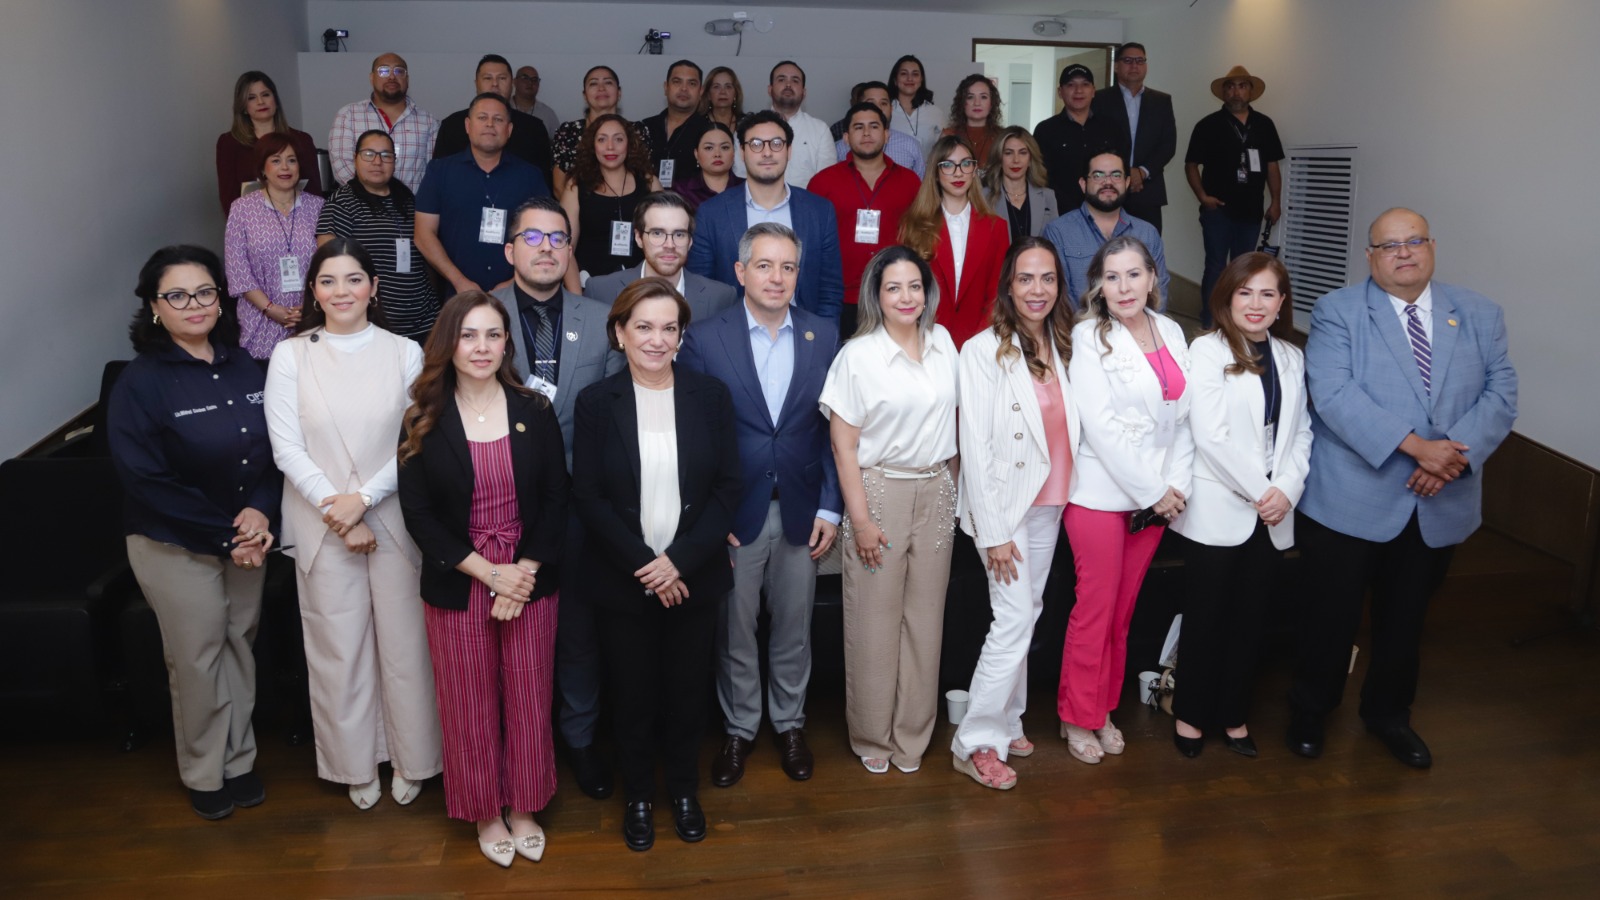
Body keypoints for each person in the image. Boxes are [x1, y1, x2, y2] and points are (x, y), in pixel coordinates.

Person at [1288, 208, 1517, 769]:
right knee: (1329, 618)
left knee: (1406, 620)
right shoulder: (1338, 310)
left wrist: (1449, 458)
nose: (1404, 252)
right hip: (1349, 498)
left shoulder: (1480, 313)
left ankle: (1388, 715)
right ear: (1371, 257)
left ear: (1432, 246)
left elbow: (1501, 392)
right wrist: (1419, 448)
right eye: (1389, 245)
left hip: (1440, 498)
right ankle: (1310, 711)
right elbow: (1334, 394)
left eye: (1414, 240)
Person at [265, 239, 442, 806]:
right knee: (338, 647)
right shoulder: (290, 355)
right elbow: (286, 448)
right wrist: (340, 511)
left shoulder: (404, 352)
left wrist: (363, 499)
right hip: (321, 520)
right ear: (313, 292)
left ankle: (414, 758)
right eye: (328, 281)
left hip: (393, 513)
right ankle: (353, 764)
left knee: (406, 646)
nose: (341, 291)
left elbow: (416, 438)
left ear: (374, 287)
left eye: (353, 279)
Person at [108, 245, 281, 820]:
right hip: (173, 542)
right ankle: (205, 770)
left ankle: (239, 759)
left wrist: (261, 512)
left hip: (247, 537)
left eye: (205, 291)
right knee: (198, 656)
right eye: (177, 295)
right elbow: (145, 479)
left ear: (221, 298)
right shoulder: (140, 382)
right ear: (154, 306)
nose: (194, 304)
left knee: (238, 647)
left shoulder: (246, 363)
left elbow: (276, 451)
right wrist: (230, 535)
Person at [397, 290, 568, 866]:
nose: (481, 347)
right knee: (467, 700)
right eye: (468, 335)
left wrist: (522, 573)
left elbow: (556, 497)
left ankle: (525, 806)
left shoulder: (534, 409)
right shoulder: (422, 416)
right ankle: (485, 811)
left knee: (528, 694)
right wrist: (491, 574)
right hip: (461, 577)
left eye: (493, 334)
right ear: (448, 342)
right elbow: (418, 514)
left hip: (528, 578)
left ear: (507, 344)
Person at [571, 278, 743, 851]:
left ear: (682, 335)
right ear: (619, 333)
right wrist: (649, 566)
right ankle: (640, 796)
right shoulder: (597, 403)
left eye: (669, 328)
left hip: (693, 577)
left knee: (688, 694)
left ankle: (685, 792)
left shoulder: (711, 396)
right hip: (624, 579)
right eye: (643, 327)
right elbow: (589, 496)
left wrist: (678, 564)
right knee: (633, 696)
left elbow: (727, 489)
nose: (657, 339)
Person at [677, 223, 841, 790]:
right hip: (732, 515)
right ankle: (740, 728)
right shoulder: (705, 338)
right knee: (735, 631)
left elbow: (835, 432)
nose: (777, 277)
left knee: (794, 628)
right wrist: (707, 517)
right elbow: (693, 435)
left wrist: (831, 507)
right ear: (740, 271)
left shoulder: (824, 334)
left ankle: (790, 724)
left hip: (802, 510)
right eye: (765, 266)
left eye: (788, 267)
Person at [819, 245, 960, 776]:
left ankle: (912, 735)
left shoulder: (945, 343)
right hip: (879, 491)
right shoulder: (858, 356)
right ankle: (872, 735)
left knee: (926, 621)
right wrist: (860, 520)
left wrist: (954, 489)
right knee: (874, 622)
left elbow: (956, 424)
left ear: (927, 292)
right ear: (875, 296)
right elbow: (843, 446)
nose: (906, 297)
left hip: (937, 489)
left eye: (914, 286)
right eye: (893, 287)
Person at [1167, 252, 1312, 759]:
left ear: (1282, 302)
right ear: (1227, 298)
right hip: (1220, 509)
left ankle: (1234, 715)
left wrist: (1287, 489)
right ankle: (1189, 715)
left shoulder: (1291, 356)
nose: (1256, 303)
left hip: (1272, 514)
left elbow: (1301, 432)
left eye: (1267, 293)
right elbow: (1211, 435)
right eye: (1245, 292)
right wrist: (1263, 492)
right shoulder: (1206, 350)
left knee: (1252, 621)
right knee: (1206, 617)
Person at [1059, 234, 1192, 766]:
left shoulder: (1171, 330)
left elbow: (1185, 419)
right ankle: (1076, 716)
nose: (1124, 287)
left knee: (1123, 612)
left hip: (1155, 500)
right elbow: (1101, 427)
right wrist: (1156, 492)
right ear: (1099, 286)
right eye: (1111, 277)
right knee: (1095, 609)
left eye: (1133, 274)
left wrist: (1176, 487)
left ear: (1153, 278)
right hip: (1099, 495)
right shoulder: (1090, 336)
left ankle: (1103, 710)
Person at [951, 238, 1079, 790]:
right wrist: (995, 530)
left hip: (1051, 501)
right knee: (1013, 619)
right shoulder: (983, 350)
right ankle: (977, 741)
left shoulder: (1065, 342)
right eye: (1026, 278)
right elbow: (975, 447)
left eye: (1047, 278)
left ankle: (1008, 718)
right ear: (1008, 285)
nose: (1037, 289)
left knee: (1030, 609)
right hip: (1004, 508)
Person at [688, 110, 844, 320]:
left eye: (776, 143)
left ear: (789, 151)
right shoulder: (712, 213)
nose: (767, 152)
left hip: (803, 331)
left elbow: (830, 289)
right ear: (742, 152)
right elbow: (701, 290)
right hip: (732, 332)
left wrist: (823, 335)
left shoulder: (819, 211)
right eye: (756, 144)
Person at [415, 92, 550, 297]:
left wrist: (515, 282)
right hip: (457, 295)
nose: (489, 124)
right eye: (482, 117)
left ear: (509, 130)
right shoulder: (440, 171)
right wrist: (459, 281)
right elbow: (423, 234)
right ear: (468, 126)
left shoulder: (530, 176)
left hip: (518, 294)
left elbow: (546, 233)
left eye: (498, 119)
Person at [810, 101, 922, 337]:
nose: (867, 133)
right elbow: (812, 244)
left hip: (895, 295)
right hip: (839, 298)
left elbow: (922, 238)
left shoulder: (910, 182)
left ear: (887, 134)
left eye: (874, 126)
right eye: (858, 127)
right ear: (846, 138)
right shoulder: (823, 182)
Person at [316, 130, 442, 340]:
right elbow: (330, 264)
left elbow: (427, 253)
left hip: (424, 320)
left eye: (386, 155)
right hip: (374, 324)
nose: (377, 162)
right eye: (369, 154)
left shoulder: (407, 198)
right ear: (355, 158)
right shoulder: (342, 203)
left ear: (394, 161)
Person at [1184, 65, 1284, 328]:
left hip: (1251, 210)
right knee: (1216, 266)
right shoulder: (1207, 125)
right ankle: (1210, 323)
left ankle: (1238, 323)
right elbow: (1191, 165)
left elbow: (1272, 165)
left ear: (1250, 91)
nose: (1236, 91)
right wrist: (1203, 197)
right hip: (1218, 210)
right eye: (1230, 86)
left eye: (1242, 86)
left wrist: (1276, 202)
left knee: (1243, 270)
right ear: (1223, 92)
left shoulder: (1264, 125)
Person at [897, 135, 1008, 349]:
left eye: (966, 164)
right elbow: (906, 290)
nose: (958, 172)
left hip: (979, 342)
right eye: (948, 165)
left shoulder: (997, 227)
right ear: (935, 173)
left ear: (974, 171)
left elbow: (997, 293)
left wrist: (977, 344)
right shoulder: (913, 225)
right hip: (924, 340)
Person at [225, 133, 325, 361]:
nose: (285, 167)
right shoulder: (242, 208)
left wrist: (310, 307)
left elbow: (328, 265)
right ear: (263, 168)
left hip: (310, 316)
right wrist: (270, 309)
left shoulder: (318, 207)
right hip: (259, 319)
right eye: (276, 160)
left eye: (292, 160)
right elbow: (237, 269)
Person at [1041, 149, 1170, 311]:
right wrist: (1095, 326)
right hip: (1079, 326)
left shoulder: (1147, 234)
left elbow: (1158, 294)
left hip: (1136, 326)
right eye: (1098, 175)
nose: (1108, 182)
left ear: (1127, 182)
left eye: (1116, 175)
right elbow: (1059, 297)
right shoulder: (1058, 232)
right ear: (1083, 184)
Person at [583, 191, 739, 323]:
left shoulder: (721, 298)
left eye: (679, 234)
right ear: (638, 238)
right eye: (657, 233)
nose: (669, 244)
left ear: (690, 241)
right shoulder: (601, 291)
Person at [560, 114, 661, 291]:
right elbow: (565, 247)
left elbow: (665, 240)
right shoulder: (575, 186)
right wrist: (578, 299)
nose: (610, 147)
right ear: (592, 146)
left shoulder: (649, 182)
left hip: (643, 287)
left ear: (629, 144)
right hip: (589, 285)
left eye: (618, 139)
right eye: (602, 139)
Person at [1091, 43, 1177, 233]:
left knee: (1146, 245)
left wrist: (1142, 172)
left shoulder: (1161, 101)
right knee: (1104, 244)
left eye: (1139, 61)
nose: (1134, 65)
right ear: (1116, 66)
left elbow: (1168, 144)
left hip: (1147, 190)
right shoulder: (1098, 99)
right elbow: (1094, 141)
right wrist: (1120, 174)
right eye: (1128, 60)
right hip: (1107, 187)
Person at [433, 54, 556, 188]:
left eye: (502, 78)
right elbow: (439, 178)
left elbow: (543, 183)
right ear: (476, 83)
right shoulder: (451, 125)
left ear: (512, 84)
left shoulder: (534, 128)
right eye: (488, 78)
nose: (495, 84)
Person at [216, 70, 322, 215]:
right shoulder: (229, 143)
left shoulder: (302, 140)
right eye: (251, 98)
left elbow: (314, 190)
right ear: (243, 107)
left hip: (298, 218)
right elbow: (228, 196)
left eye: (265, 95)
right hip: (249, 221)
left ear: (275, 100)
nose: (260, 102)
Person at [329, 52, 439, 190]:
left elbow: (433, 172)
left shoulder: (428, 122)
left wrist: (404, 199)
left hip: (412, 203)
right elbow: (342, 166)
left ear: (407, 79)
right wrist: (375, 196)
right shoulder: (348, 115)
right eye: (384, 71)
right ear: (372, 78)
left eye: (399, 71)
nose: (392, 76)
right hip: (360, 202)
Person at [550, 66, 646, 197]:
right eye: (593, 83)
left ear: (619, 92)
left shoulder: (637, 131)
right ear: (584, 95)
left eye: (608, 82)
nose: (601, 88)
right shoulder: (567, 131)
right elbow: (558, 186)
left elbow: (646, 179)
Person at [1032, 64, 1116, 212]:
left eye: (1085, 84)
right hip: (1060, 213)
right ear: (1060, 92)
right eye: (1071, 85)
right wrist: (1071, 210)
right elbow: (1041, 177)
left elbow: (1119, 171)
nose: (1078, 90)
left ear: (1093, 91)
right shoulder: (1045, 130)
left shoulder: (1111, 128)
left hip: (1105, 210)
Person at [735, 61, 833, 189]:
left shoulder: (820, 130)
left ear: (804, 92)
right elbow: (739, 176)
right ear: (770, 89)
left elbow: (827, 181)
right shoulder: (748, 127)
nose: (788, 85)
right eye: (781, 79)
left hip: (806, 201)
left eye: (795, 80)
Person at [639, 60, 711, 189]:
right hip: (646, 200)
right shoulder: (644, 128)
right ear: (666, 87)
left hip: (692, 201)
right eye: (677, 82)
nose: (684, 89)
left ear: (700, 91)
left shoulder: (709, 132)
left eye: (692, 83)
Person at [830, 82, 926, 178]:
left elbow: (922, 185)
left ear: (891, 109)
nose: (878, 108)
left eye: (883, 103)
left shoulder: (911, 146)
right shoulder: (840, 148)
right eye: (871, 103)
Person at [982, 126, 1059, 241]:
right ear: (999, 159)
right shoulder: (983, 197)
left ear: (1030, 159)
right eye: (1008, 153)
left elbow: (1055, 242)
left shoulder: (1048, 196)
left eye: (1023, 153)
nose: (1016, 160)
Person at [669, 120, 744, 213]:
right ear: (696, 153)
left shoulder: (747, 188)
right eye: (709, 148)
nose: (717, 154)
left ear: (734, 152)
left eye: (725, 147)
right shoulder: (681, 191)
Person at [887, 55, 944, 160]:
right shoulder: (885, 110)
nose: (910, 78)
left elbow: (942, 149)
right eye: (904, 74)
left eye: (915, 74)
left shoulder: (935, 112)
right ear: (895, 79)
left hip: (927, 170)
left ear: (921, 80)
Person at [942, 75, 1003, 171]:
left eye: (983, 97)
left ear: (991, 103)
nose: (977, 103)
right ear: (962, 103)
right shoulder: (948, 135)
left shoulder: (1002, 136)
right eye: (970, 97)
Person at [512, 65, 562, 140]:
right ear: (515, 82)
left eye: (534, 79)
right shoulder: (504, 108)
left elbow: (557, 142)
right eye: (525, 78)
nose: (530, 83)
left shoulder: (548, 114)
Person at [701, 66, 745, 132]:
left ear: (735, 94)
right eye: (716, 87)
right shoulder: (697, 124)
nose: (723, 92)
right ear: (708, 95)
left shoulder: (746, 124)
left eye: (728, 87)